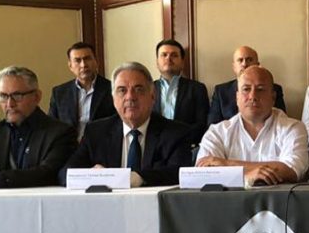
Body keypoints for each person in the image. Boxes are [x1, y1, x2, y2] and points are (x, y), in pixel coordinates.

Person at [61, 62, 192, 187]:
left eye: (138, 89)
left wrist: (136, 178)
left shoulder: (175, 133)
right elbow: (65, 173)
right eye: (122, 90)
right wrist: (92, 176)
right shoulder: (96, 132)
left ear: (153, 96)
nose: (130, 97)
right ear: (113, 99)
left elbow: (179, 173)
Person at [0, 66, 78, 188]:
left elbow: (47, 174)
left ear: (36, 97)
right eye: (3, 96)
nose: (10, 104)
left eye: (17, 95)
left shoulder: (61, 133)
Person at [197, 66, 308, 185]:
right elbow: (205, 173)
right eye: (246, 89)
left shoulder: (293, 128)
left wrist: (226, 164)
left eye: (260, 89)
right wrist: (247, 175)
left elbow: (292, 170)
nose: (253, 96)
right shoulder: (217, 132)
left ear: (273, 97)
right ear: (237, 97)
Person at [48, 42, 114, 139]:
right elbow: (51, 126)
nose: (83, 65)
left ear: (96, 61)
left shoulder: (112, 89)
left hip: (102, 144)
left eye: (87, 59)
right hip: (69, 145)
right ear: (70, 66)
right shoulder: (60, 93)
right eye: (77, 61)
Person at [153, 38, 210, 147]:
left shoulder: (197, 89)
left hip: (185, 147)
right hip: (153, 148)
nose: (168, 58)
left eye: (174, 55)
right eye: (164, 55)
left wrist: (177, 139)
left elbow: (202, 124)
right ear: (157, 62)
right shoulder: (147, 89)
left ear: (182, 62)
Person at [207, 45, 287, 124]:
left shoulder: (273, 88)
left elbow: (281, 121)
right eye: (240, 60)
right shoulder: (221, 91)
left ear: (257, 64)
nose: (244, 64)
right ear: (234, 67)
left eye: (249, 60)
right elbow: (212, 124)